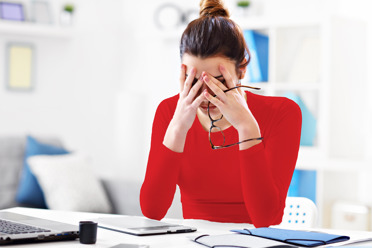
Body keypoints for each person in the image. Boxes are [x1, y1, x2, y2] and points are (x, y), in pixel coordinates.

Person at [140, 0, 302, 228]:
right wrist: (177, 128)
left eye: (218, 82)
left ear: (242, 70)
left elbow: (266, 219)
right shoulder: (169, 112)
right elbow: (152, 211)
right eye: (193, 81)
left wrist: (246, 127)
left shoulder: (282, 113)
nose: (206, 95)